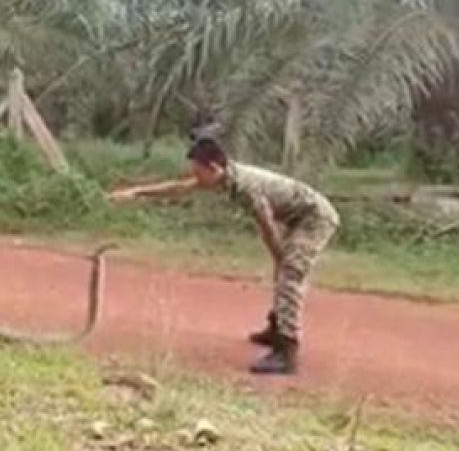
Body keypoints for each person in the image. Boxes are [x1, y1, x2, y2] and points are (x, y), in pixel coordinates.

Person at [108, 135, 339, 375]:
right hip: (296, 218)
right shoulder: (225, 177)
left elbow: (268, 227)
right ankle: (276, 327)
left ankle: (287, 351)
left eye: (199, 172)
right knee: (283, 270)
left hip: (315, 219)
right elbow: (179, 187)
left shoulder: (247, 186)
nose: (196, 178)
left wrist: (280, 258)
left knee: (290, 274)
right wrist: (136, 192)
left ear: (214, 168)